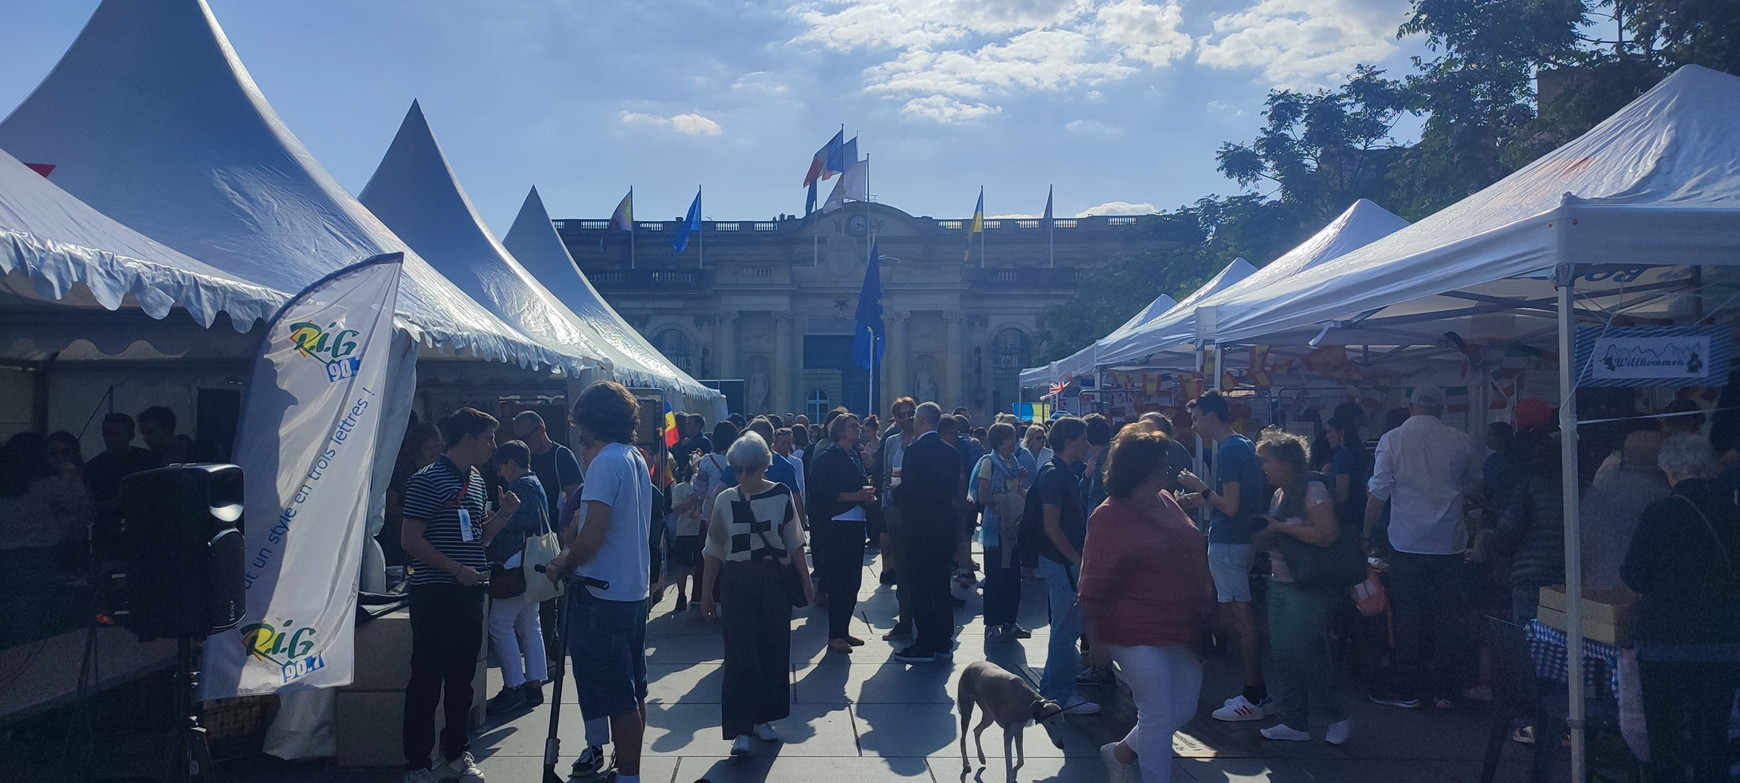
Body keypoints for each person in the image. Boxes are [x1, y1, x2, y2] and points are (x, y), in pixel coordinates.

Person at [1083, 423, 1210, 783]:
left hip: (1179, 623)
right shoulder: (1109, 515)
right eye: (1163, 460)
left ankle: (1121, 751)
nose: (1170, 467)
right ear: (1141, 467)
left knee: (1181, 709)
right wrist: (1096, 637)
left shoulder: (1166, 500)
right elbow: (1093, 580)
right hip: (1132, 627)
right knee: (1156, 713)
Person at [400, 408, 521, 783]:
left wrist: (502, 516)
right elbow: (410, 540)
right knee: (426, 679)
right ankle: (418, 763)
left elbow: (476, 540)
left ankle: (456, 752)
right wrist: (455, 569)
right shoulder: (426, 479)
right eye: (488, 438)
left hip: (470, 591)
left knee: (462, 680)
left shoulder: (477, 479)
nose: (493, 446)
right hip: (435, 593)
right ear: (467, 437)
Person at [546, 382, 654, 783]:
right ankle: (629, 772)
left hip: (602, 592)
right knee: (632, 690)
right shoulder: (633, 457)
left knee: (619, 696)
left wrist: (562, 562)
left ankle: (628, 777)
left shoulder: (605, 462)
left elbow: (592, 537)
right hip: (630, 590)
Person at [1621, 435, 1740, 783]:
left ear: (1670, 471)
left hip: (1664, 642)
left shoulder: (1657, 513)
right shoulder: (1732, 513)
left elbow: (1634, 575)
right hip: (1722, 641)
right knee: (1712, 733)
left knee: (1666, 734)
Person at [1362, 387, 1479, 710]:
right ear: (1441, 410)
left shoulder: (1392, 439)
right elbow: (1471, 484)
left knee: (1408, 616)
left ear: (1410, 406)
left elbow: (1379, 491)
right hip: (1449, 542)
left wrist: (1365, 532)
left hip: (1407, 540)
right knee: (1447, 616)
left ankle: (1407, 688)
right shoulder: (1461, 439)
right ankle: (1444, 689)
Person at [700, 432, 811, 757]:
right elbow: (714, 551)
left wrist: (806, 583)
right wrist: (706, 595)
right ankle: (741, 729)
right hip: (737, 580)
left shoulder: (781, 495)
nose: (744, 476)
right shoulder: (725, 500)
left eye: (750, 468)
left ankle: (763, 718)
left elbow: (794, 543)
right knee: (739, 654)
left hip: (774, 579)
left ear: (764, 466)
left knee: (775, 649)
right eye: (738, 469)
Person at [1250, 431, 1351, 744]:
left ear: (1286, 461)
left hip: (1308, 584)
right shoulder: (1282, 493)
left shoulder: (1312, 488)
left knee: (1299, 649)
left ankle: (1334, 714)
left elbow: (1327, 534)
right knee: (1285, 652)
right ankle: (1295, 721)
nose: (1262, 466)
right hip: (1282, 580)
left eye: (1266, 460)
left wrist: (1278, 527)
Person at [1176, 391, 1270, 722]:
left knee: (1239, 617)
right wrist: (1200, 498)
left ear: (1213, 415)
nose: (1194, 424)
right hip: (1239, 539)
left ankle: (1255, 694)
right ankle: (1254, 690)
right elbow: (1235, 502)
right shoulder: (1242, 444)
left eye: (1197, 417)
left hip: (1230, 542)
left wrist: (1202, 490)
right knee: (1234, 615)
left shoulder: (1230, 451)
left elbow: (1229, 505)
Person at [1030, 415, 1100, 713]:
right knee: (1066, 628)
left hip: (1061, 560)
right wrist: (1077, 560)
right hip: (1061, 561)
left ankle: (1051, 686)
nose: (1087, 444)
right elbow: (1051, 525)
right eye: (1083, 438)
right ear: (1070, 441)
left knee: (1065, 626)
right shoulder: (1055, 475)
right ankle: (1060, 693)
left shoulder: (1060, 471)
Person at [0, 432, 93, 647]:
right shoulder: (45, 485)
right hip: (37, 560)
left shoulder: (5, 488)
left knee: (8, 614)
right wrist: (72, 475)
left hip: (4, 560)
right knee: (35, 617)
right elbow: (81, 508)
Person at [483, 440, 550, 715]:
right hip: (532, 561)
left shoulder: (522, 487)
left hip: (516, 560)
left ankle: (514, 685)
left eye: (501, 466)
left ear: (511, 463)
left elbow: (512, 523)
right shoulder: (536, 483)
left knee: (500, 623)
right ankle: (533, 683)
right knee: (528, 623)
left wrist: (495, 515)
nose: (499, 472)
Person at [891, 402, 960, 663]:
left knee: (920, 585)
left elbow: (907, 491)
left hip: (919, 527)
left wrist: (894, 489)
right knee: (941, 585)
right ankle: (943, 640)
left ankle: (925, 643)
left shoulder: (914, 450)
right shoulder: (951, 451)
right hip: (944, 524)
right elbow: (953, 488)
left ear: (921, 420)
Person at [807, 413, 875, 653]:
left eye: (858, 425)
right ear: (839, 431)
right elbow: (823, 493)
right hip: (837, 525)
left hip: (856, 522)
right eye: (852, 426)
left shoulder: (854, 456)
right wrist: (856, 496)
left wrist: (867, 492)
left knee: (853, 581)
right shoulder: (829, 458)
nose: (858, 429)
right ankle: (835, 634)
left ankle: (843, 629)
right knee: (839, 581)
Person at [1580, 430, 1668, 591]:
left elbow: (1582, 546)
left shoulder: (1596, 495)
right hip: (1643, 592)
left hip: (1599, 590)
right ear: (1660, 458)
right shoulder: (1663, 497)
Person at [1497, 434, 1564, 623]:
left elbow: (1507, 527)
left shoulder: (1527, 488)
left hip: (1530, 573)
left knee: (1526, 640)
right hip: (1567, 577)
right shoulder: (1577, 490)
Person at [975, 423, 1028, 642]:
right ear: (999, 441)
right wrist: (1008, 500)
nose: (1014, 442)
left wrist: (1021, 491)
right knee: (996, 576)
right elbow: (983, 496)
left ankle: (1010, 621)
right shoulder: (989, 462)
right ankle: (992, 622)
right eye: (1011, 438)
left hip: (1012, 525)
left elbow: (1015, 489)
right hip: (996, 526)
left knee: (1013, 576)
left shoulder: (1013, 462)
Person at [83, 413, 161, 564]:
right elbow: (87, 506)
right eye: (107, 434)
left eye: (117, 434)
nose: (111, 439)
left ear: (130, 435)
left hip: (144, 534)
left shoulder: (148, 460)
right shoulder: (93, 467)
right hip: (108, 535)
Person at [878, 397, 919, 636]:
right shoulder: (892, 442)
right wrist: (886, 505)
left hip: (917, 512)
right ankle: (905, 619)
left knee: (919, 567)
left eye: (911, 413)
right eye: (902, 414)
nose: (907, 418)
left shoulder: (921, 442)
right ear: (895, 419)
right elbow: (885, 475)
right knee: (901, 568)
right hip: (894, 509)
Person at [384, 422, 443, 568]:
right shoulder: (401, 469)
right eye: (429, 448)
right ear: (417, 448)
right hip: (402, 538)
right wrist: (421, 511)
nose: (434, 452)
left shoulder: (442, 468)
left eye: (437, 447)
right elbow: (389, 508)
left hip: (436, 537)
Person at [512, 411, 582, 523]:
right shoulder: (522, 459)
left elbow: (574, 496)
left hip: (554, 532)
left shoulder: (562, 456)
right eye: (520, 440)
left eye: (526, 438)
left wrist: (565, 527)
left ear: (541, 430)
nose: (524, 444)